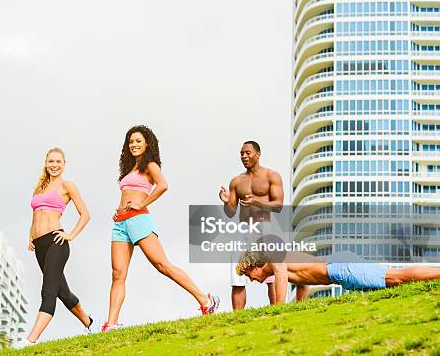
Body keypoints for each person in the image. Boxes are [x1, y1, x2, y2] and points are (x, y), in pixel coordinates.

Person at [102, 125, 220, 332]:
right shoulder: (129, 169)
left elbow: (163, 185)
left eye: (138, 141)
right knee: (117, 273)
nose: (134, 144)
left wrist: (141, 203)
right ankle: (111, 324)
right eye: (131, 141)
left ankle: (205, 299)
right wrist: (119, 210)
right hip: (121, 223)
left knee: (162, 265)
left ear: (147, 143)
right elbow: (128, 193)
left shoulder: (150, 164)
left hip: (139, 219)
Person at [219, 141, 308, 309]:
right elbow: (231, 212)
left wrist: (257, 202)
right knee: (237, 275)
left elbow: (279, 205)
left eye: (247, 153)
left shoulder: (271, 176)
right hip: (243, 229)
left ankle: (276, 310)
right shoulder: (236, 182)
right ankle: (238, 318)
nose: (244, 156)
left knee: (272, 273)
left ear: (258, 154)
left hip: (266, 226)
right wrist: (226, 202)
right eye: (241, 153)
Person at [23, 147, 92, 345]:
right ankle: (89, 322)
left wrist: (70, 235)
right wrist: (31, 236)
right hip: (40, 245)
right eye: (51, 161)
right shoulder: (40, 188)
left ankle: (30, 340)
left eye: (58, 162)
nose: (54, 165)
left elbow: (85, 214)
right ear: (46, 163)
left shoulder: (67, 185)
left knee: (48, 292)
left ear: (64, 164)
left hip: (56, 241)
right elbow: (36, 214)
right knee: (63, 293)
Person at [236, 251, 440, 303]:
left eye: (248, 274)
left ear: (255, 265)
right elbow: (303, 284)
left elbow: (280, 276)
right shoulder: (282, 268)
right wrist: (298, 307)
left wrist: (279, 310)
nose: (250, 279)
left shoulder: (275, 259)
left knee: (396, 277)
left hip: (341, 268)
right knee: (393, 284)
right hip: (340, 271)